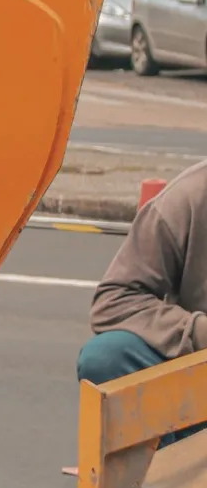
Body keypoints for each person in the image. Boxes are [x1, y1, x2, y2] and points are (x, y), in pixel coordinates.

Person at [77, 160, 207, 446]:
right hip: (201, 378)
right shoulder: (189, 198)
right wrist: (197, 331)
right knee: (108, 356)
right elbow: (115, 300)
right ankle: (172, 472)